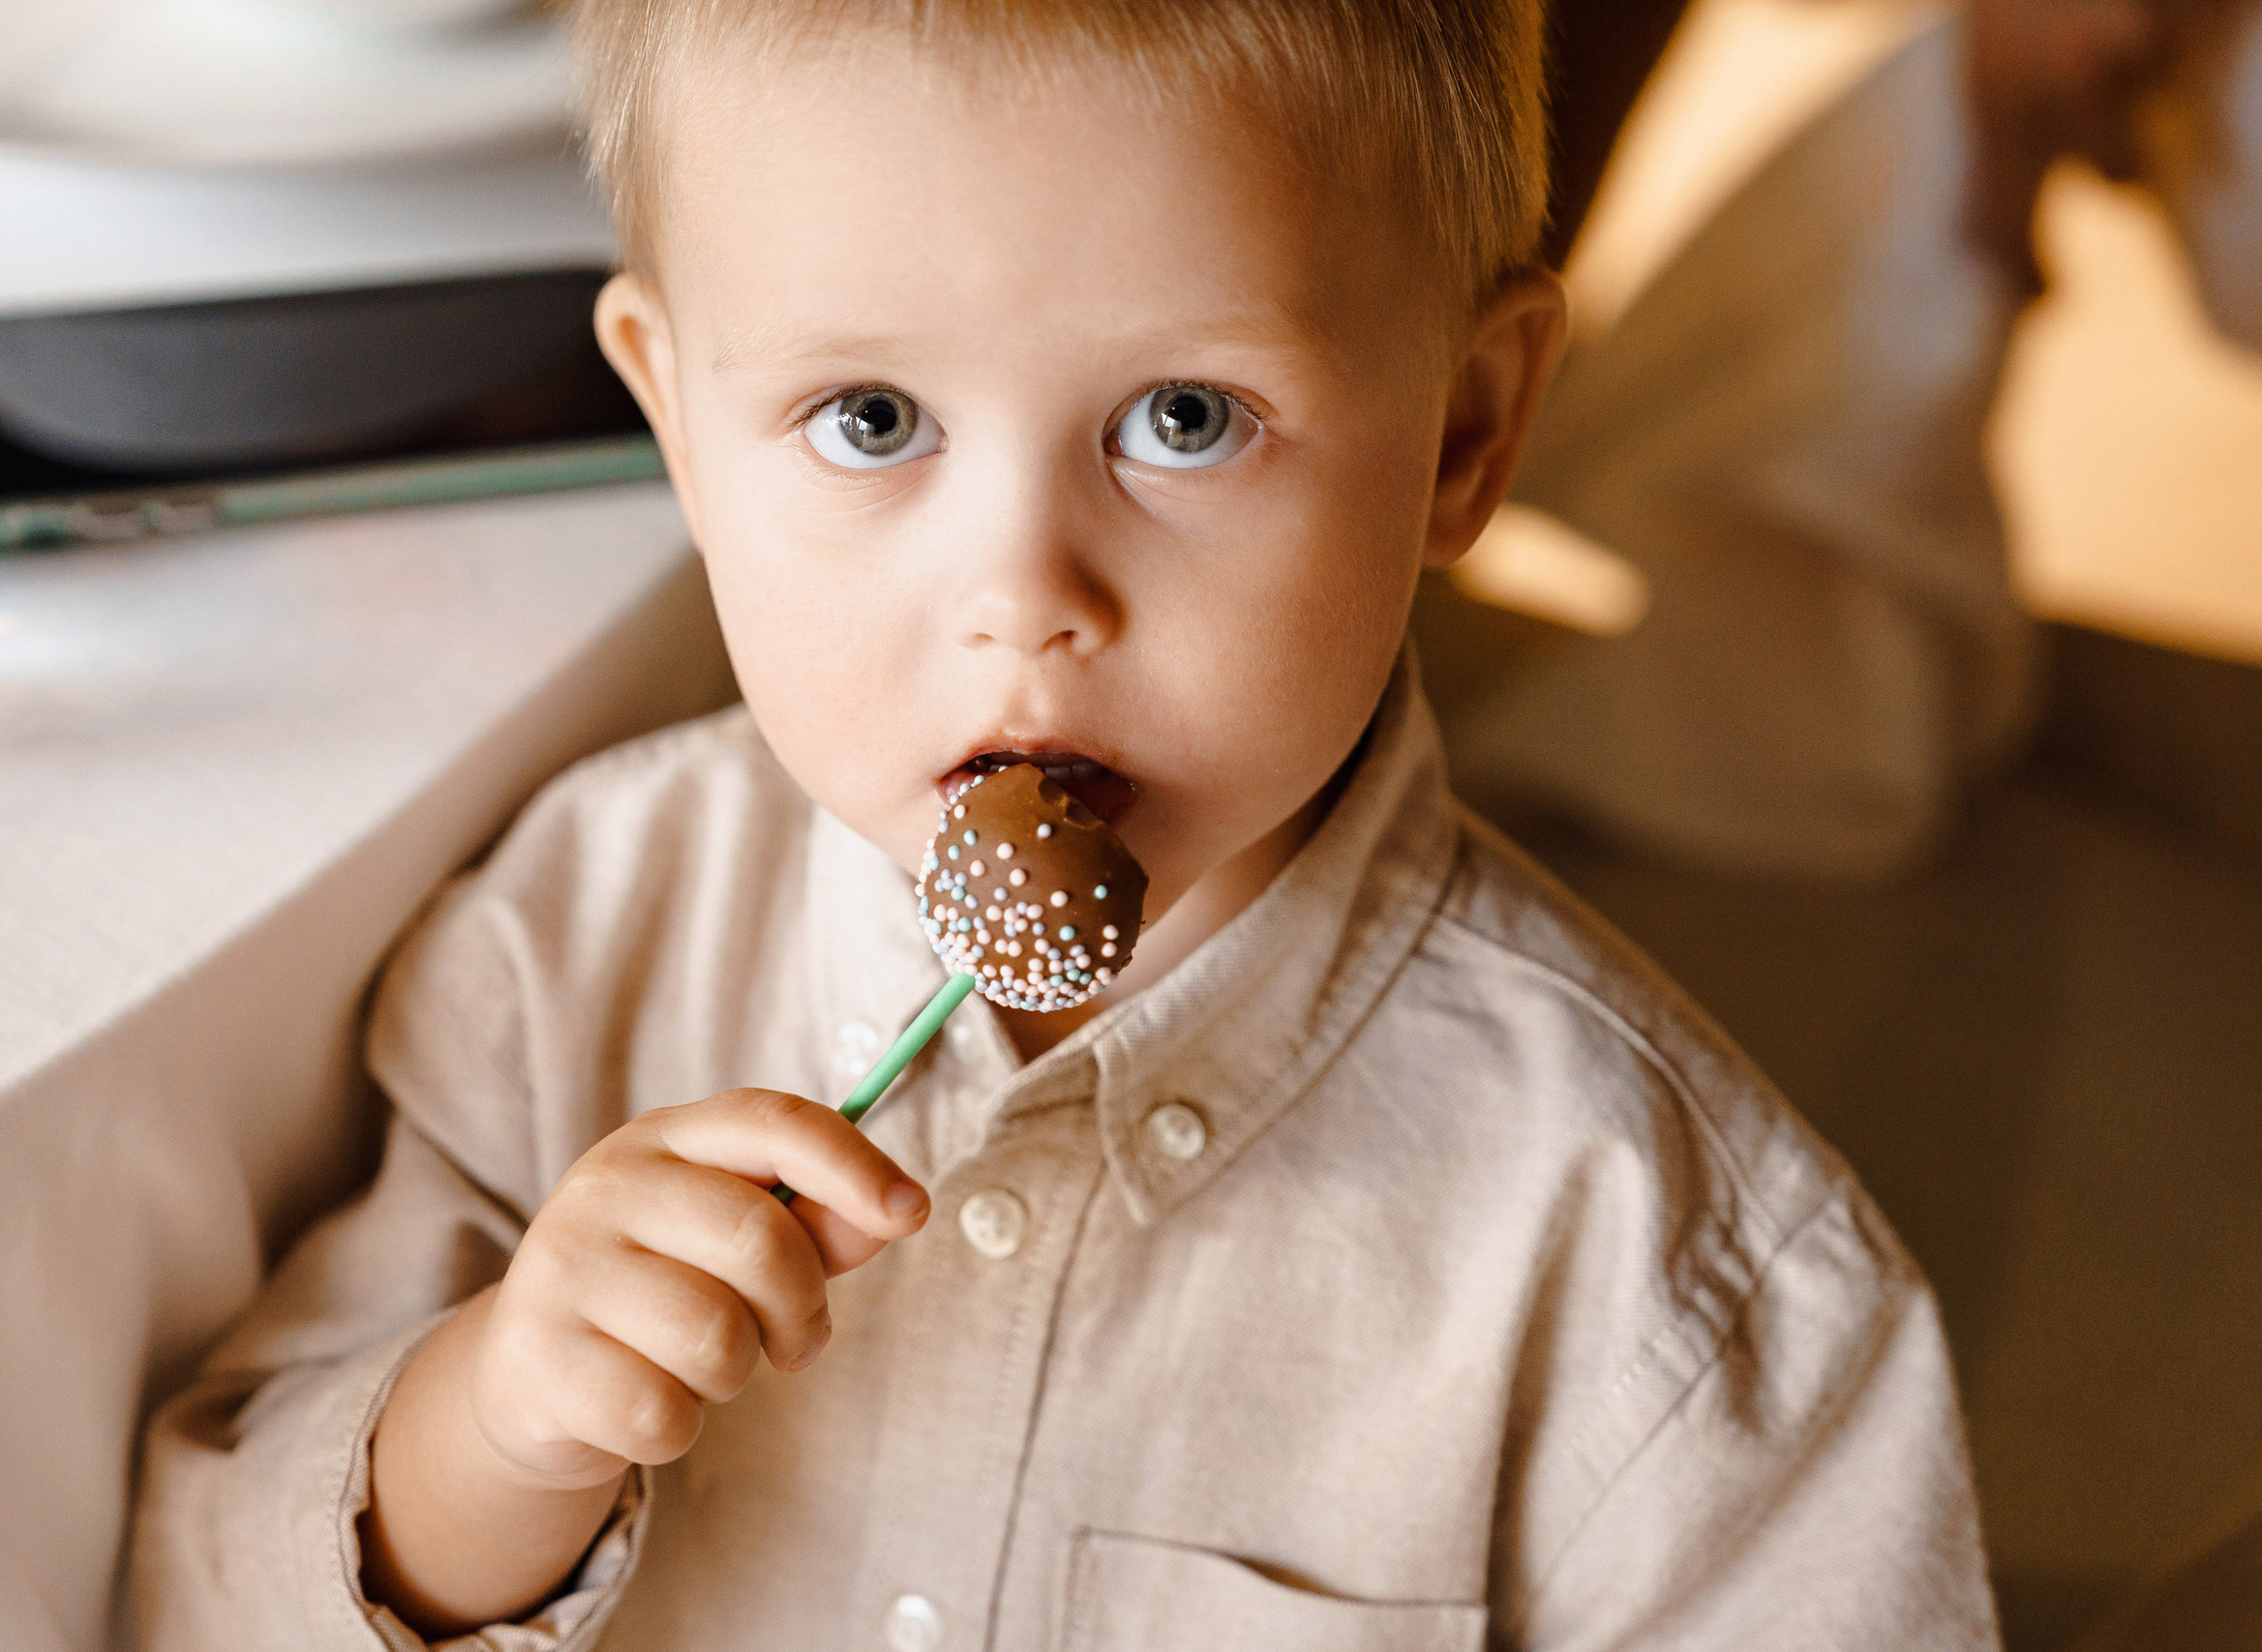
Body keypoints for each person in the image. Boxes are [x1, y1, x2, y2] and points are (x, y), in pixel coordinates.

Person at [131, 2, 1999, 1646]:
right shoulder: (569, 950)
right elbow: (192, 1602)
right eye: (871, 420)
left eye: (1184, 417)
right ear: (682, 429)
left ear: (1463, 434)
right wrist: (498, 1436)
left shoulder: (1675, 1277)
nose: (1023, 594)